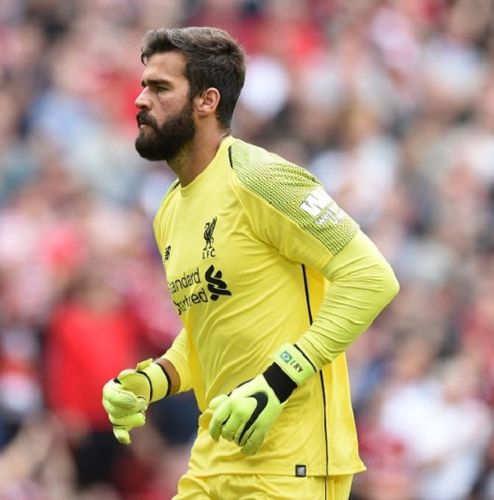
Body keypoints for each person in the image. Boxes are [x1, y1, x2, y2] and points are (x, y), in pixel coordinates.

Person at [102, 27, 399, 499]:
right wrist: (152, 379)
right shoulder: (169, 211)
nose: (140, 100)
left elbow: (371, 278)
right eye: (143, 85)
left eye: (159, 88)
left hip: (291, 467)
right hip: (211, 464)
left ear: (206, 101)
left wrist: (276, 382)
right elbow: (210, 329)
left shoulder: (261, 177)